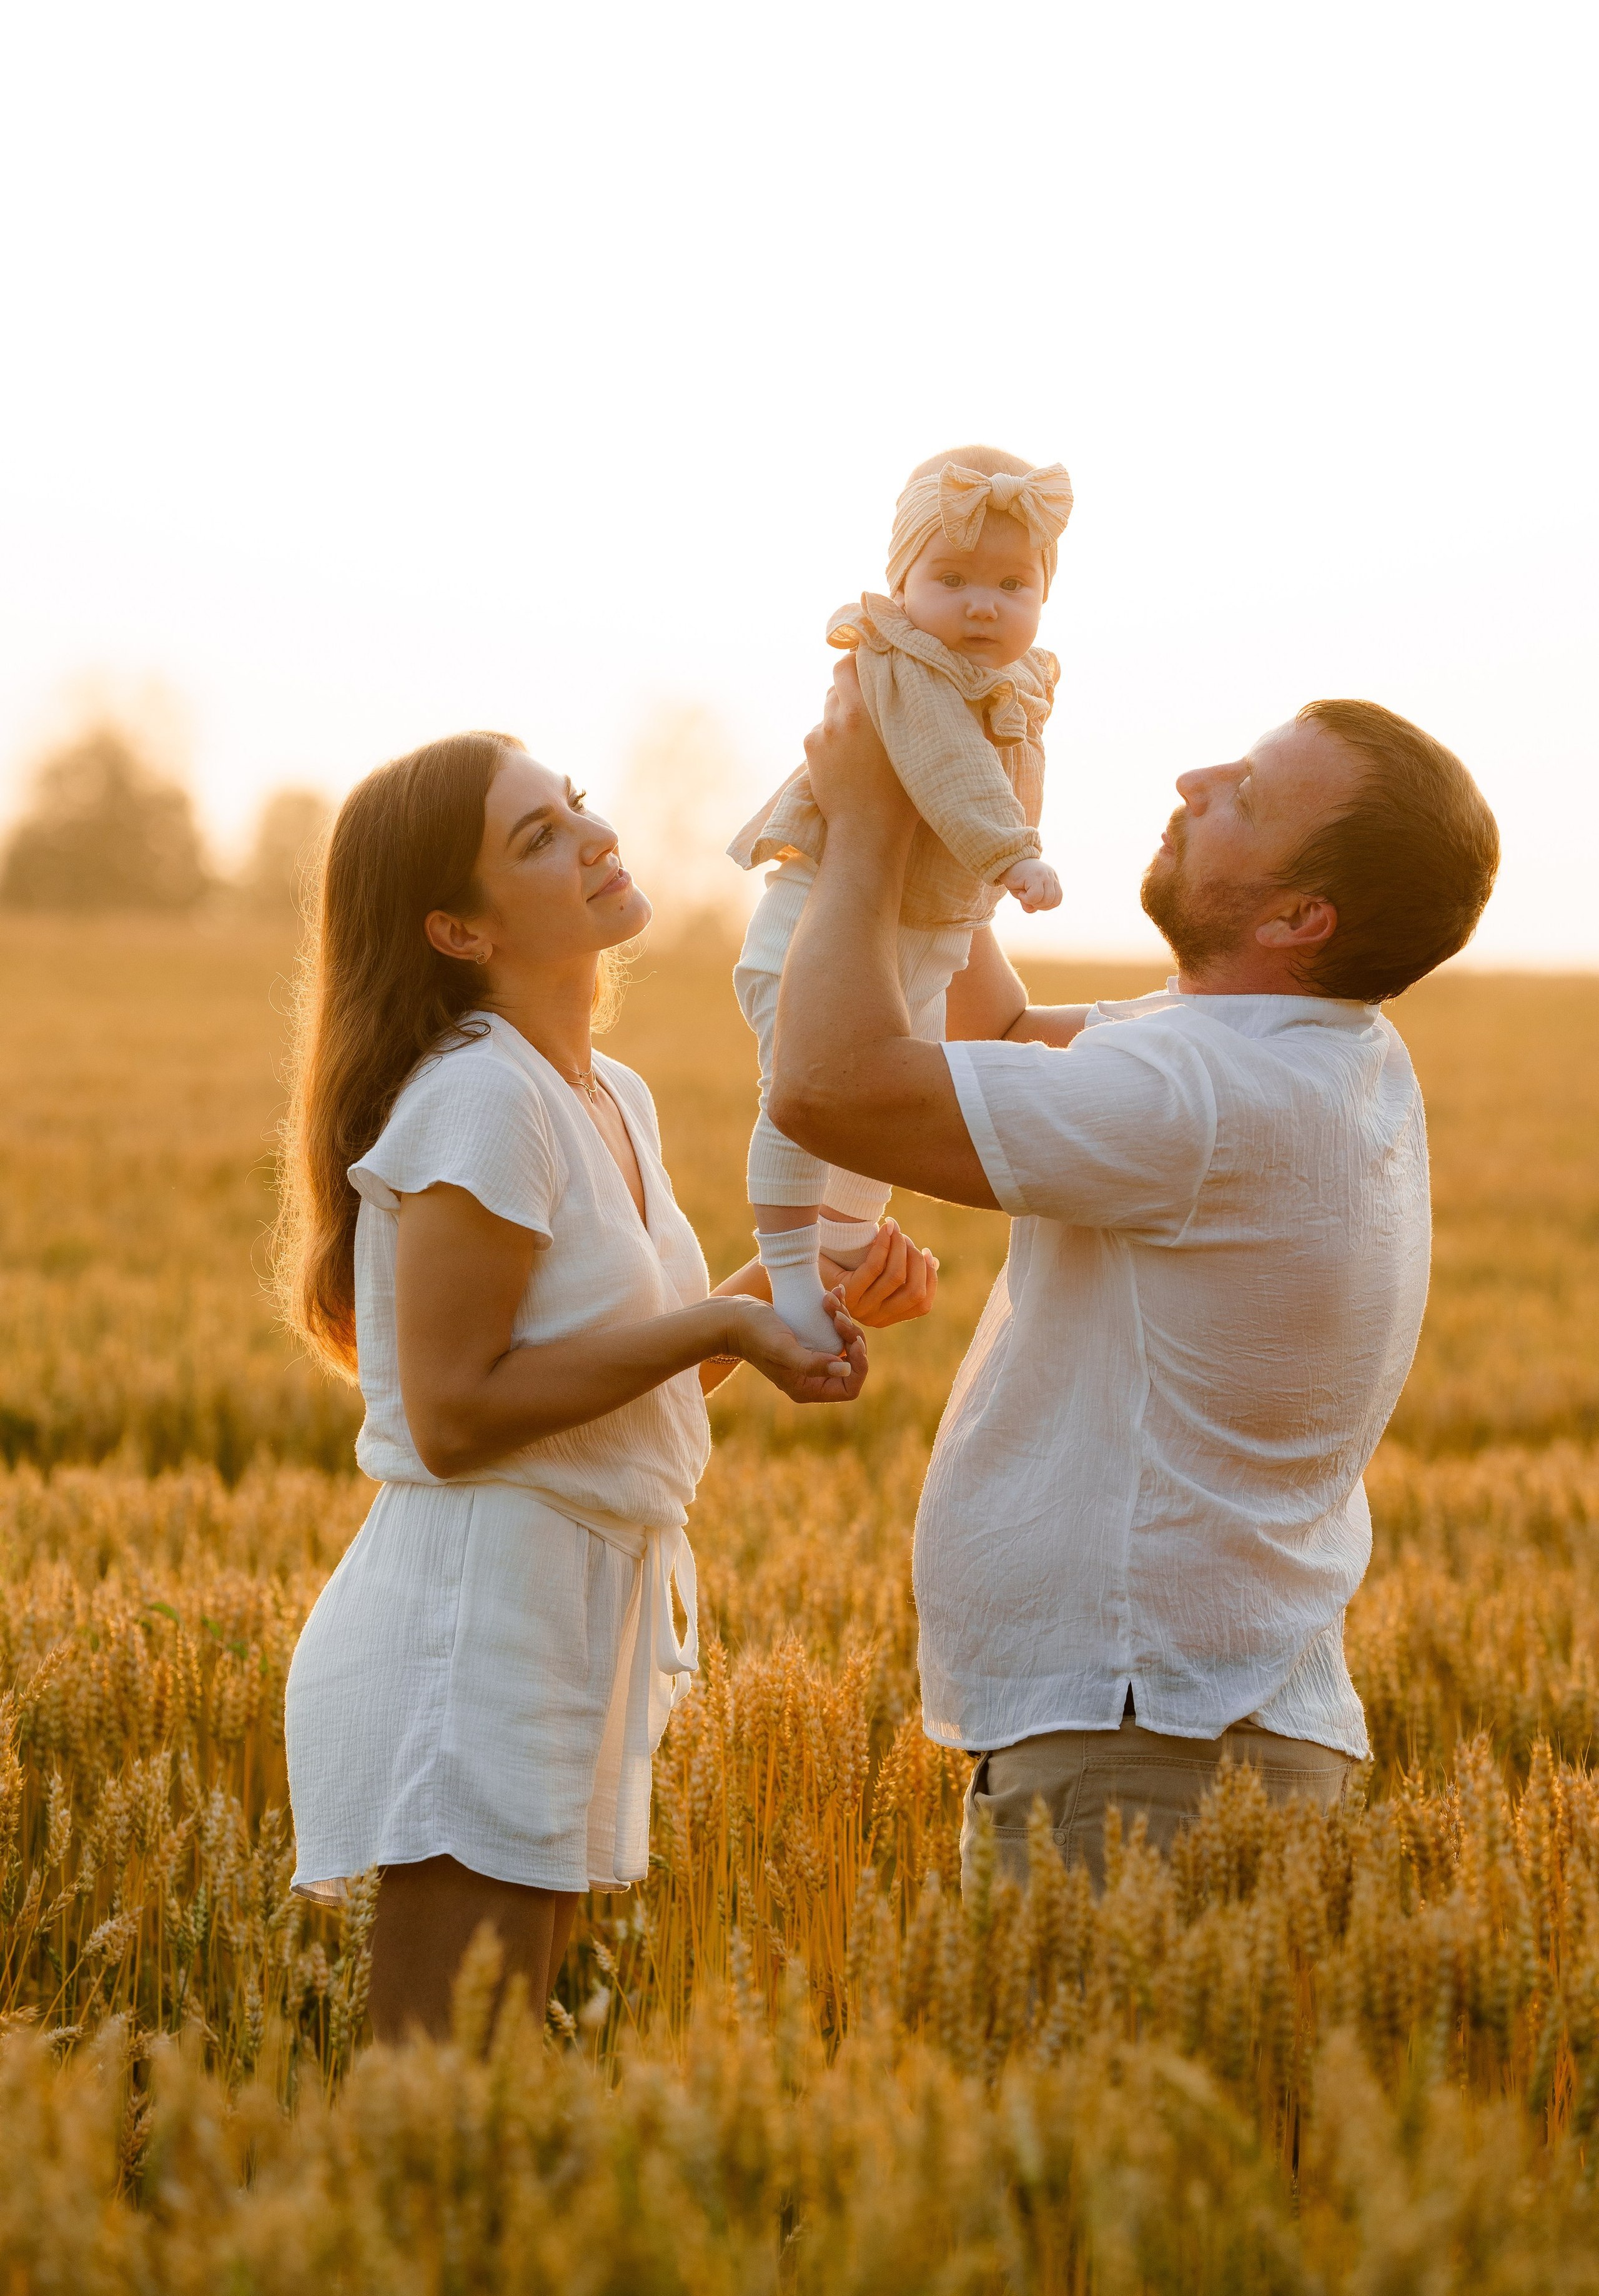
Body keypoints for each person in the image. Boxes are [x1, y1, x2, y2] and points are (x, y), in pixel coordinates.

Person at [769, 675, 1500, 1890]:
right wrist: (949, 820)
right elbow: (995, 1041)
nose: (1191, 784)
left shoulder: (1201, 1093)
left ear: (1298, 916)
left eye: (1244, 797)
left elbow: (829, 1088)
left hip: (1140, 1751)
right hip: (1194, 1723)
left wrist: (861, 835)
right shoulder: (1317, 1050)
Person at [276, 731, 936, 2037]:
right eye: (536, 837)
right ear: (457, 931)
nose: (591, 834)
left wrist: (803, 1286)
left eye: (571, 805)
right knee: (441, 2076)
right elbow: (458, 1417)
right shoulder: (482, 1099)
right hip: (475, 1616)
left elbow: (617, 1381)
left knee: (493, 2065)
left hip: (570, 1603)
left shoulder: (604, 1093)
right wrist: (728, 1325)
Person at [725, 446, 1073, 1352]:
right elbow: (950, 773)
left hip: (918, 940)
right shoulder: (906, 664)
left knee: (880, 1109)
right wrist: (1014, 857)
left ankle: (841, 1250)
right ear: (902, 582)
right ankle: (795, 1280)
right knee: (799, 1103)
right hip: (820, 930)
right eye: (951, 579)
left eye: (1012, 584)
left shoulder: (1011, 685)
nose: (982, 605)